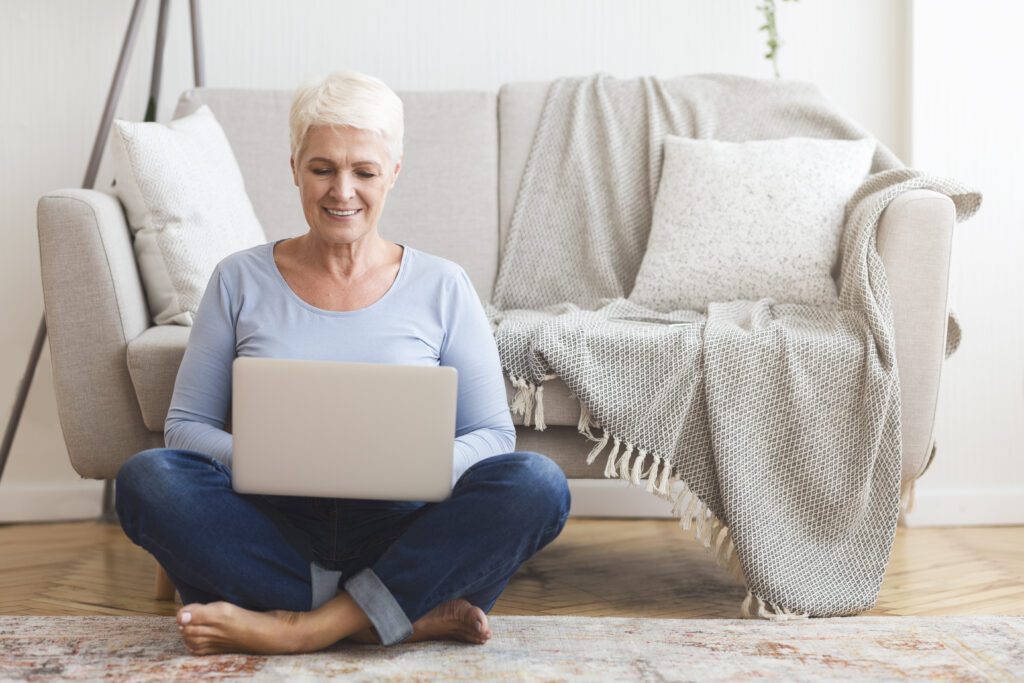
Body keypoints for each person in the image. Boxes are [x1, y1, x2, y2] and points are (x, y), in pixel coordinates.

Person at [114, 70, 571, 656]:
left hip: (403, 528)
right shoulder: (237, 279)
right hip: (272, 527)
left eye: (364, 172)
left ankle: (303, 626)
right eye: (322, 168)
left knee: (537, 485)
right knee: (146, 478)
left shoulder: (443, 285)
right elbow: (185, 428)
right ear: (295, 168)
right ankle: (398, 614)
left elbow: (492, 435)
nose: (342, 191)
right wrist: (269, 460)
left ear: (394, 174)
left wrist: (416, 464)